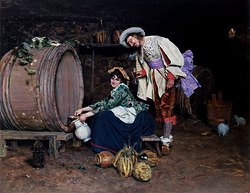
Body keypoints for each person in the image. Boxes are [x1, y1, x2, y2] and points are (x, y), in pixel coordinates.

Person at [119, 27, 200, 151]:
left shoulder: (156, 41)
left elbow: (171, 57)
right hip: (155, 80)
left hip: (165, 76)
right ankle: (166, 136)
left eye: (132, 40)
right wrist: (143, 73)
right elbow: (148, 64)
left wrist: (171, 77)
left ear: (137, 36)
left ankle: (166, 140)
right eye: (129, 43)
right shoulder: (140, 50)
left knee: (166, 107)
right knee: (159, 107)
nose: (132, 43)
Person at [74, 67, 156, 154]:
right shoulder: (116, 90)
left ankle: (106, 145)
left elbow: (107, 105)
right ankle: (100, 143)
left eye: (117, 79)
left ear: (121, 81)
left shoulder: (122, 89)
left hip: (138, 117)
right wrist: (82, 109)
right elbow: (103, 102)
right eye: (112, 78)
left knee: (103, 116)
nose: (113, 81)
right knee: (102, 115)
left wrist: (86, 115)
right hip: (123, 111)